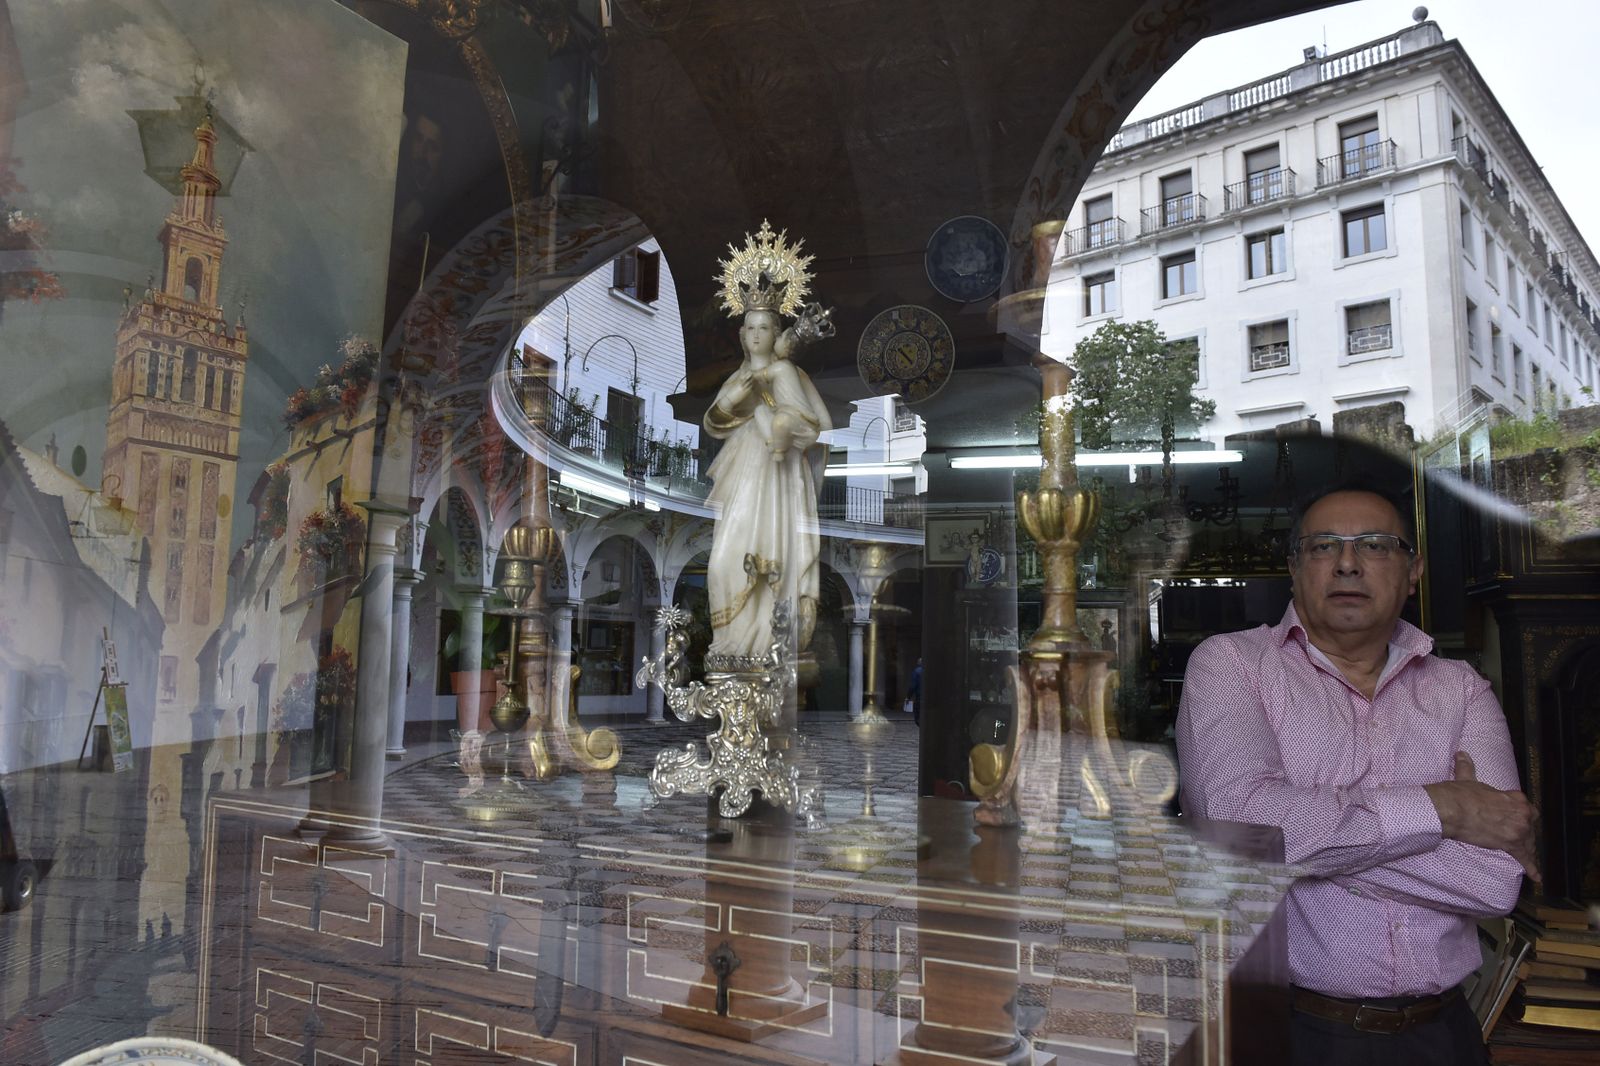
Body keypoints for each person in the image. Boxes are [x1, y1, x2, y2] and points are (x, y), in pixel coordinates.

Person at [1175, 484, 1536, 1066]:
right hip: (1287, 1031)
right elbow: (1245, 834)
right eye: (1323, 547)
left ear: (1412, 571)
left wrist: (1309, 850)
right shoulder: (1232, 665)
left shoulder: (1460, 690)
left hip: (1444, 1034)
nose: (1347, 562)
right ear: (1294, 568)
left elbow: (1495, 881)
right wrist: (1446, 809)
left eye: (1374, 545)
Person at [702, 249, 832, 660]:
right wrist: (745, 392)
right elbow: (714, 420)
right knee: (723, 562)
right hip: (741, 474)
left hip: (775, 480)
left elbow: (818, 426)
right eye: (750, 328)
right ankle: (730, 646)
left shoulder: (788, 373)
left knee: (768, 558)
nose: (756, 334)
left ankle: (763, 646)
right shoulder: (738, 377)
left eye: (764, 327)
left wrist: (776, 419)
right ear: (741, 336)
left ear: (776, 332)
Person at [906, 658, 923, 724]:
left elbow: (913, 686)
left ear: (918, 663)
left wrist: (908, 697)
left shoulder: (916, 671)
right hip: (930, 698)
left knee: (918, 718)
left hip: (919, 697)